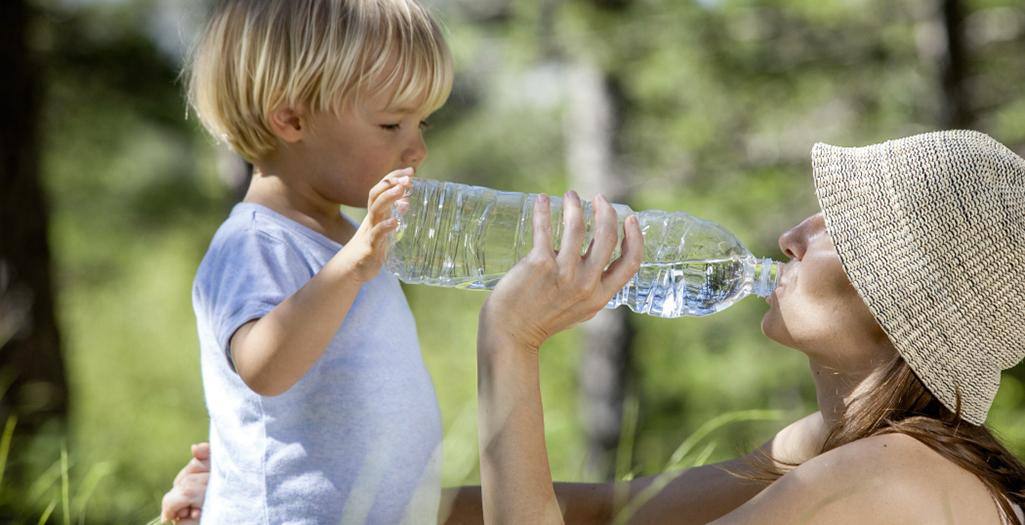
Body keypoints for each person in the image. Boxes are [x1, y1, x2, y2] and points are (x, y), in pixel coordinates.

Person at [164, 130, 1025, 524]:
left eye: (842, 226)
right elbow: (606, 511)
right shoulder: (834, 447)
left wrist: (512, 340)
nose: (792, 232)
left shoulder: (889, 480)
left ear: (904, 299)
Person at [176, 0, 453, 522]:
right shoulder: (255, 240)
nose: (416, 149)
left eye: (423, 123)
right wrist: (352, 264)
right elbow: (263, 367)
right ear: (291, 118)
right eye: (392, 124)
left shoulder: (349, 237)